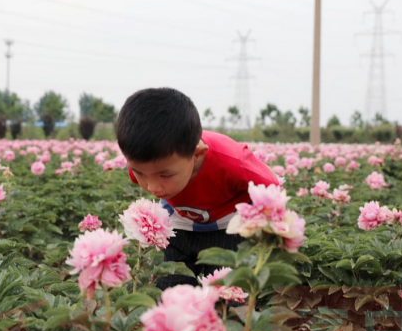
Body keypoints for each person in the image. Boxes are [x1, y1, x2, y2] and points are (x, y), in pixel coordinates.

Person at [115, 87, 280, 290]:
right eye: (140, 173)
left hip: (226, 230)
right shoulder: (146, 165)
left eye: (164, 175)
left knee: (227, 294)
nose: (152, 187)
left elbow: (272, 187)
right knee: (171, 291)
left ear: (197, 154)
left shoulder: (233, 162)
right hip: (178, 228)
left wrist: (261, 228)